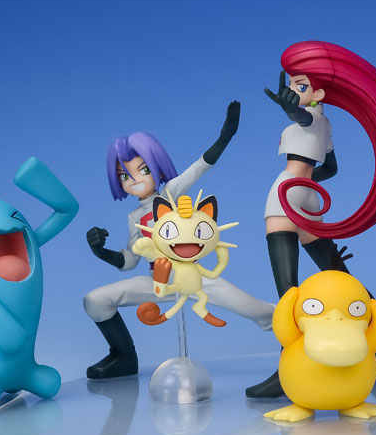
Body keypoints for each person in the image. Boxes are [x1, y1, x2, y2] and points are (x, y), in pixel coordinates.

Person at [246, 41, 376, 398]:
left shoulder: (310, 118)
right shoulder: (326, 124)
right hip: (306, 196)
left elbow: (301, 117)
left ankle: (287, 369)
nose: (293, 91)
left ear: (319, 93)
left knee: (288, 292)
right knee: (340, 274)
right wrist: (308, 183)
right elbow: (331, 168)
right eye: (292, 84)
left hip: (285, 195)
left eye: (301, 85)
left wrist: (292, 109)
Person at [84, 102, 275, 379]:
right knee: (95, 300)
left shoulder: (170, 193)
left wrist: (224, 138)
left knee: (255, 309)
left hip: (195, 277)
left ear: (157, 168)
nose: (135, 180)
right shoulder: (134, 216)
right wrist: (100, 251)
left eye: (143, 170)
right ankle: (123, 356)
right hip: (158, 282)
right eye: (125, 175)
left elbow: (200, 167)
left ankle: (293, 333)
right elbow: (129, 261)